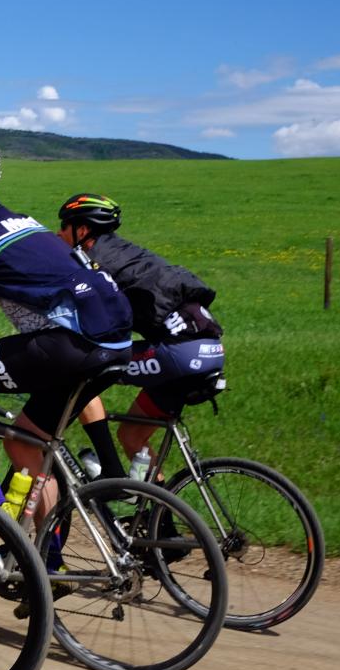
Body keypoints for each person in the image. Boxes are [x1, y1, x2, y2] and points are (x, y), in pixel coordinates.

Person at [0, 147, 133, 534]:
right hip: (115, 345)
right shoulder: (25, 225)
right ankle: (50, 561)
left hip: (66, 344)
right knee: (25, 445)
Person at [56, 193, 225, 467]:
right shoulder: (125, 254)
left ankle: (109, 470)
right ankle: (155, 507)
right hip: (209, 349)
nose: (58, 233)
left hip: (179, 353)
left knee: (80, 373)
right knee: (132, 437)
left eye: (63, 227)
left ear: (82, 229)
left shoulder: (94, 261)